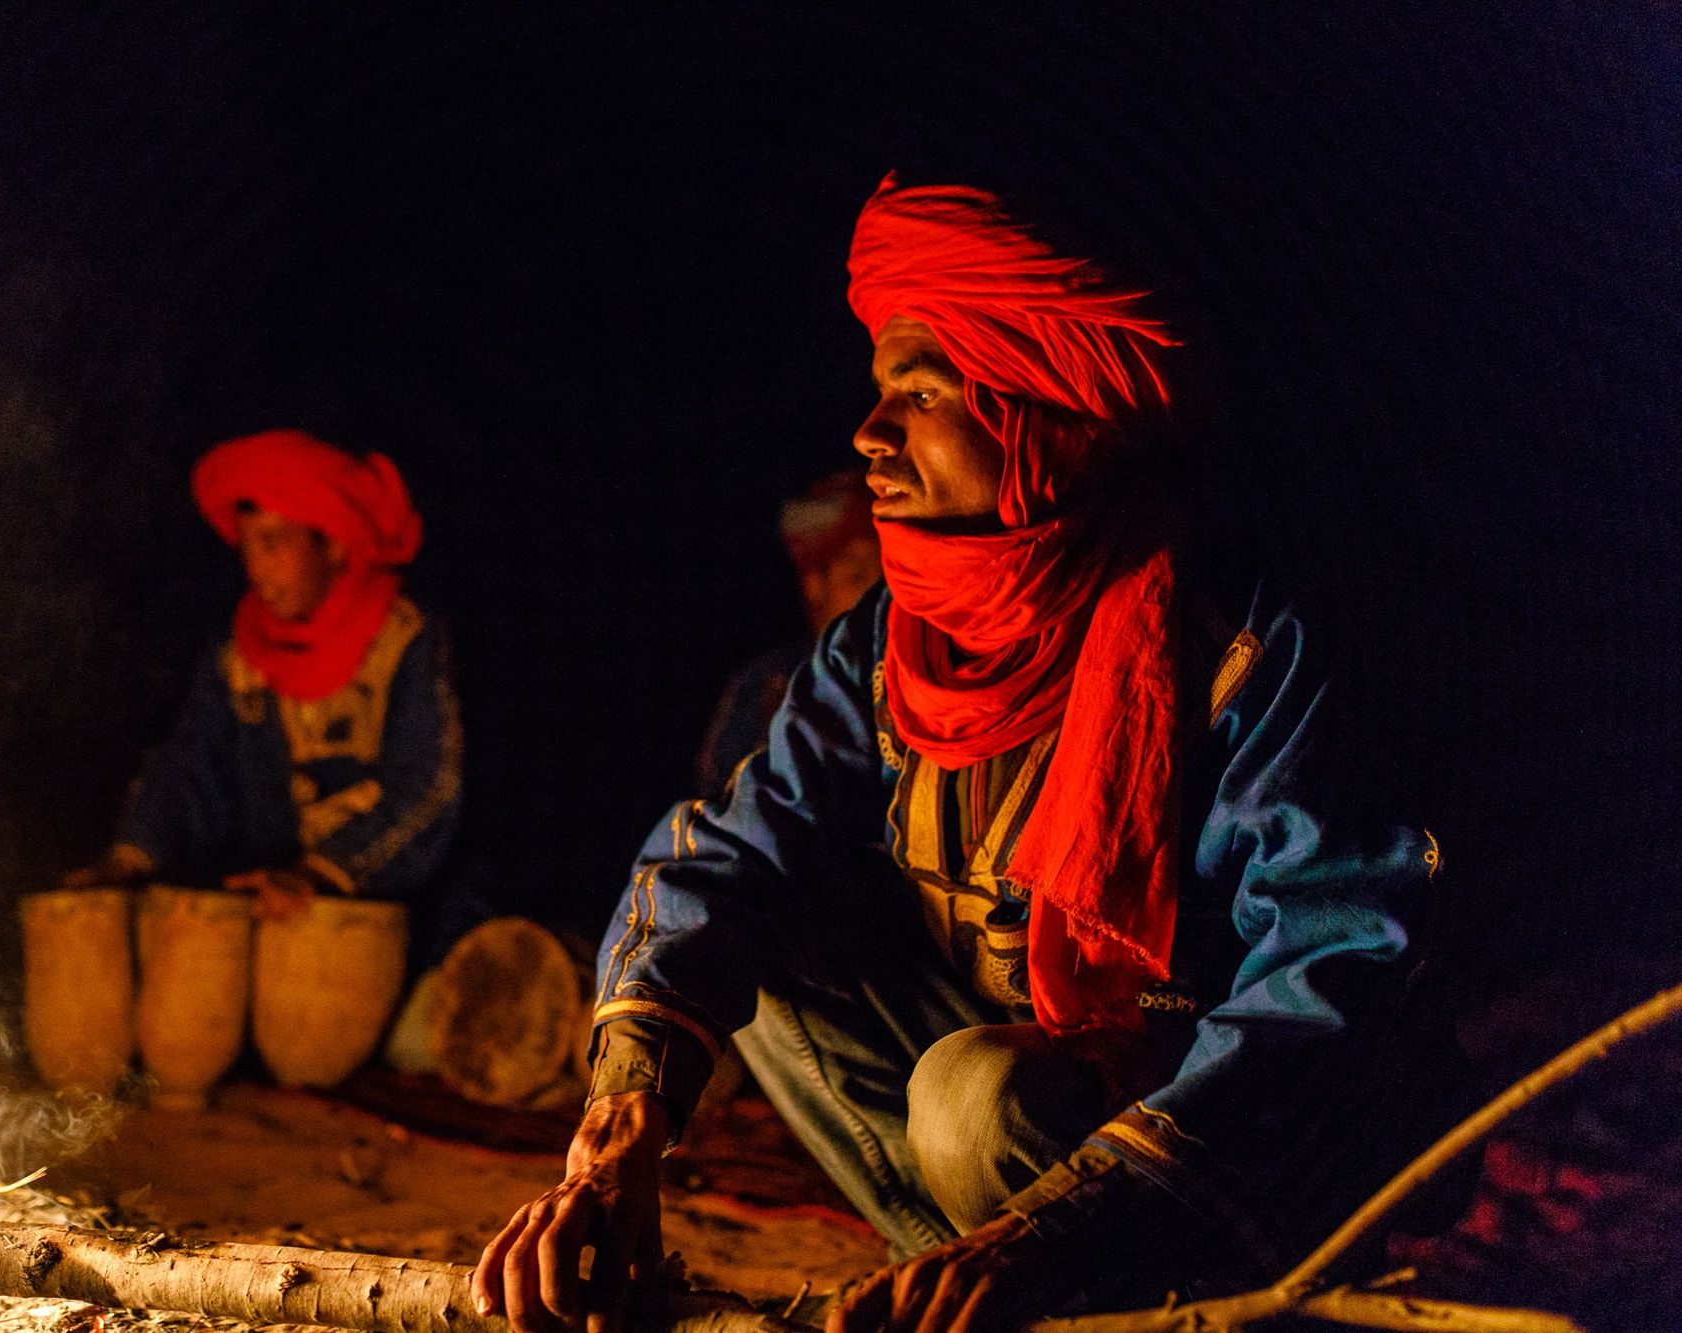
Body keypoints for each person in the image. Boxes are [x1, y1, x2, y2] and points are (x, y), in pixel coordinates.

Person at [472, 176, 1442, 1332]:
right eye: (878, 393)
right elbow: (720, 858)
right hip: (997, 1126)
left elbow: (1335, 970)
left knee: (971, 1099)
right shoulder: (887, 647)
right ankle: (968, 1288)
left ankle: (1083, 1285)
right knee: (750, 956)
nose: (867, 434)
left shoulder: (1241, 652)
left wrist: (1060, 1224)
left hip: (1212, 1160)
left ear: (1055, 421)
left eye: (918, 394)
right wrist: (613, 1134)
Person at [68, 429, 461, 920]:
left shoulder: (405, 640)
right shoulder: (239, 657)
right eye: (246, 548)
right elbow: (190, 767)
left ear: (335, 545)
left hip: (402, 919)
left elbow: (429, 787)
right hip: (273, 907)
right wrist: (129, 857)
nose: (255, 568)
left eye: (273, 544)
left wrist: (322, 873)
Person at [694, 469, 880, 796]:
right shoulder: (767, 685)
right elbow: (719, 800)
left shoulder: (914, 675)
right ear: (814, 585)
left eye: (890, 574)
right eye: (858, 574)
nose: (878, 592)